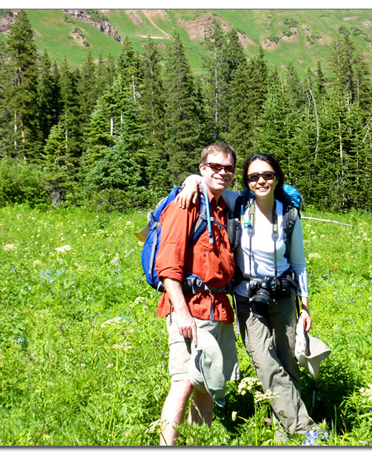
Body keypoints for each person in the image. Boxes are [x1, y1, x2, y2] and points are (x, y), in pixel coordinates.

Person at [178, 153, 324, 443]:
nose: (261, 180)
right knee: (266, 364)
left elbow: (299, 263)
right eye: (254, 176)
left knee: (287, 363)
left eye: (267, 175)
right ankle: (308, 431)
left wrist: (305, 307)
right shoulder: (238, 203)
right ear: (246, 182)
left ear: (277, 177)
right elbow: (206, 178)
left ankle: (283, 434)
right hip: (248, 299)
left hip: (283, 297)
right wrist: (190, 182)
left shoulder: (290, 214)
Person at [155, 143, 240, 446]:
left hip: (217, 307)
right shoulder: (186, 204)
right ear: (202, 168)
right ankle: (167, 446)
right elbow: (167, 265)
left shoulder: (222, 205)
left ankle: (199, 444)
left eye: (228, 168)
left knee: (207, 384)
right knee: (183, 382)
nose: (223, 173)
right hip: (190, 307)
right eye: (215, 167)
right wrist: (181, 311)